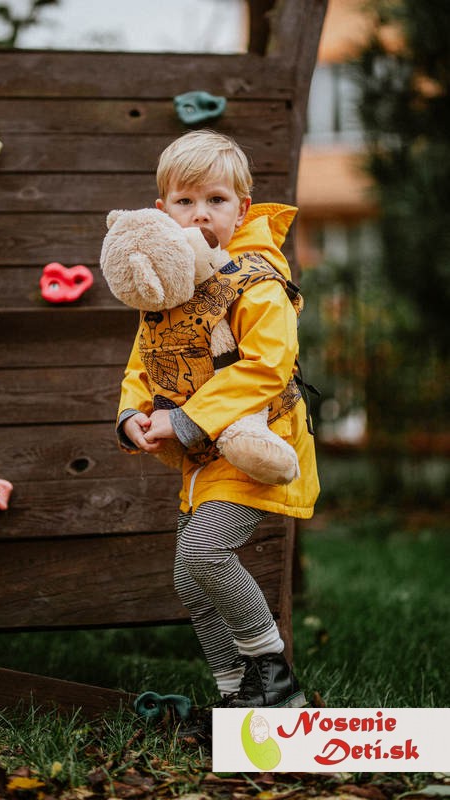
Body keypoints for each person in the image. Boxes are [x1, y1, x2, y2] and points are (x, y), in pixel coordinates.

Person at [115, 130, 319, 708]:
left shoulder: (255, 281)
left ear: (243, 208)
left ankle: (276, 683)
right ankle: (236, 695)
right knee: (190, 578)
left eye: (216, 200)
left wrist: (185, 421)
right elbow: (144, 361)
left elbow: (267, 365)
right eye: (185, 201)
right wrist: (134, 413)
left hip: (259, 441)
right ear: (162, 212)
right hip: (203, 458)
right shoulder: (166, 284)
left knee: (203, 554)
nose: (200, 214)